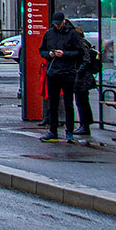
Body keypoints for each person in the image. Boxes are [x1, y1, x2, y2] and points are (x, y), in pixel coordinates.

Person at [39, 11, 82, 143]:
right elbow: (42, 50)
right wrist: (49, 54)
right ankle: (53, 131)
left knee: (68, 103)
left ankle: (69, 132)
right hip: (53, 72)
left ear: (64, 21)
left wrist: (64, 54)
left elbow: (80, 52)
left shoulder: (72, 34)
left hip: (68, 72)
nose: (57, 26)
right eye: (55, 24)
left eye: (59, 24)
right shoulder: (49, 34)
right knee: (53, 103)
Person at [72, 25, 99, 136]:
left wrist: (77, 71)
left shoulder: (81, 44)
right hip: (84, 77)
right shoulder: (84, 43)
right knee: (82, 101)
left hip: (83, 78)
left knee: (82, 102)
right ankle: (84, 124)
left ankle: (85, 125)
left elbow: (86, 61)